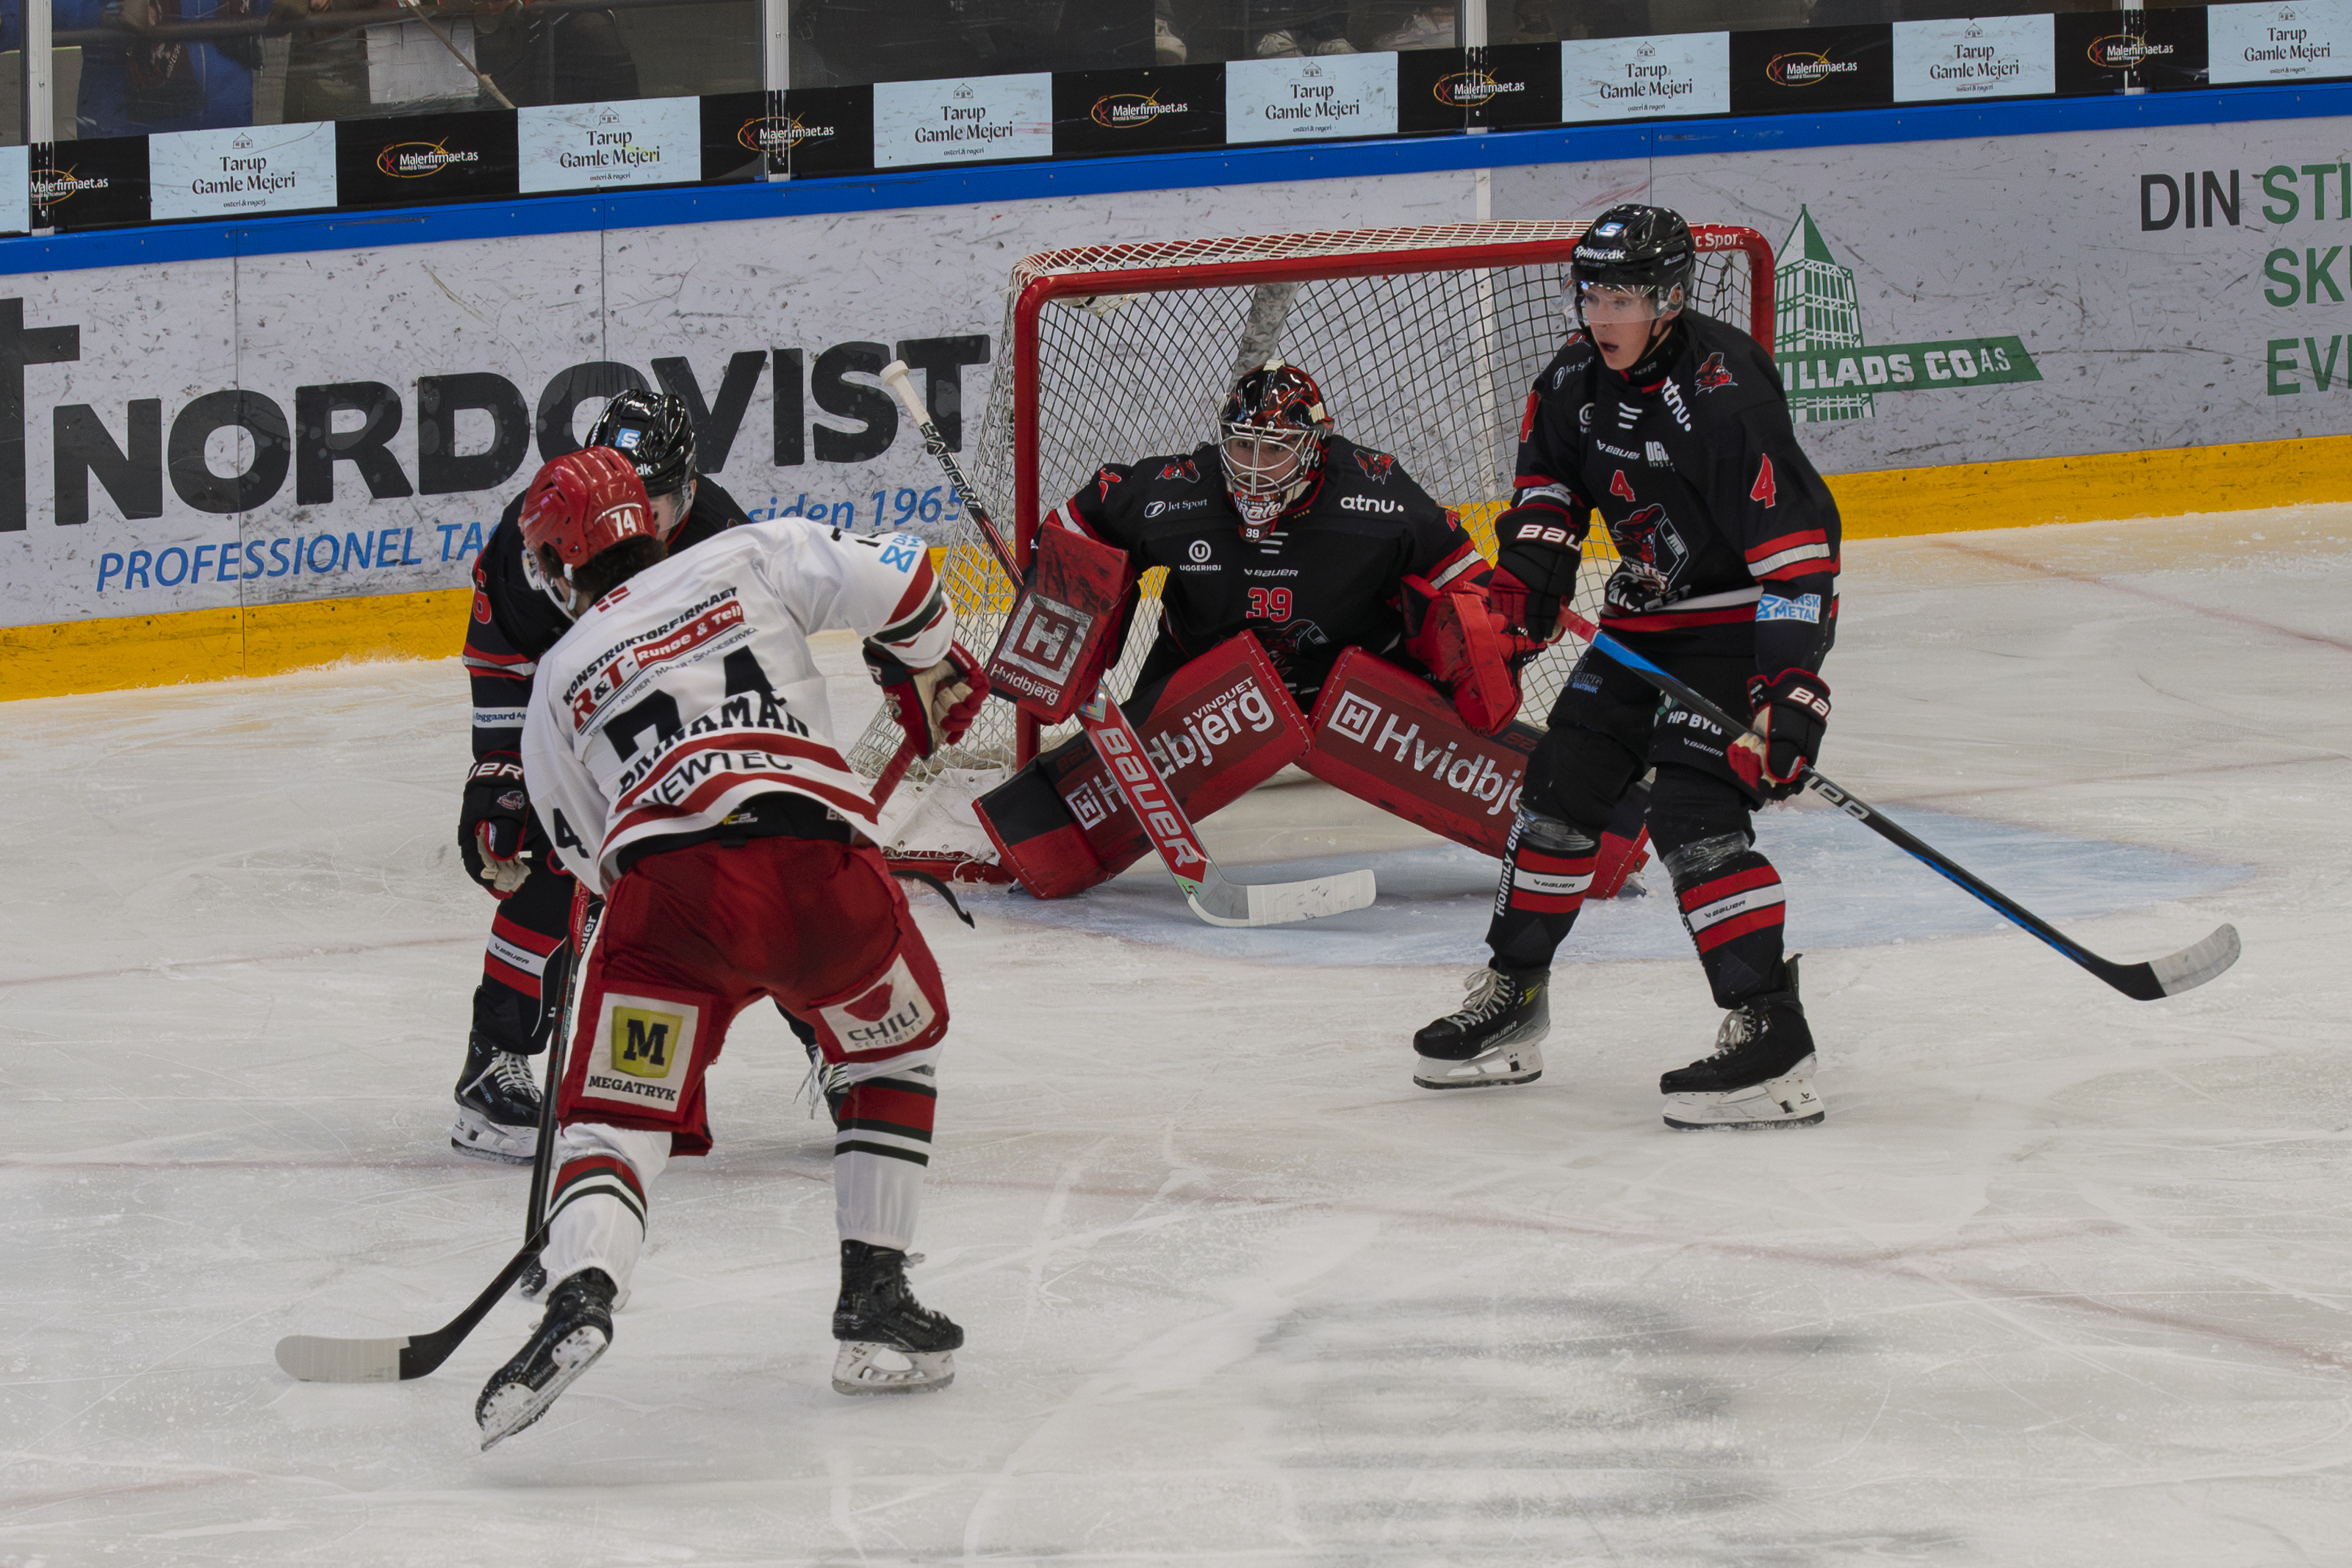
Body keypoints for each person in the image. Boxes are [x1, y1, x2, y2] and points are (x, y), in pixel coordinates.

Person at [476, 447, 988, 1446]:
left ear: (556, 561)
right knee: (889, 1052)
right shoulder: (751, 552)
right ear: (651, 522)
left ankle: (582, 1290)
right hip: (823, 874)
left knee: (615, 1116)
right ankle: (875, 1297)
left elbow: (584, 848)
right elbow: (909, 577)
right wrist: (924, 659)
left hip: (673, 904)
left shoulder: (559, 674)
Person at [1411, 204, 1841, 1127]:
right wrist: (1533, 573)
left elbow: (1799, 561)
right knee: (1558, 793)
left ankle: (1773, 1032)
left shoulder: (1728, 392)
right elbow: (1547, 489)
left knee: (1694, 816)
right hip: (1638, 629)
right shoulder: (1573, 377)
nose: (1602, 316)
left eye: (1624, 299)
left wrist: (1791, 691)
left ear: (1671, 298)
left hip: (1734, 629)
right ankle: (1515, 996)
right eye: (1593, 295)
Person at [975, 359, 1528, 895]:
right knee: (1107, 789)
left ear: (1314, 447)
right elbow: (1080, 522)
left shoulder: (1374, 492)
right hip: (1203, 669)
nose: (1255, 466)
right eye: (1242, 445)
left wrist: (1494, 638)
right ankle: (1041, 836)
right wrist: (1061, 602)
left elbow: (1460, 572)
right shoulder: (1181, 490)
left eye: (1276, 450)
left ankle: (1553, 822)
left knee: (1469, 651)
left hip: (1355, 676)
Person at [452, 390, 753, 1163]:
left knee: (770, 856)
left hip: (684, 716)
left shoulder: (724, 542)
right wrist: (499, 776)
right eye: (623, 498)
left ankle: (839, 1049)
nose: (633, 525)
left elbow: (753, 665)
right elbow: (503, 659)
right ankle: (494, 1063)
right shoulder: (541, 528)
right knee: (548, 857)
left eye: (655, 504)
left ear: (689, 488)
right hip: (567, 712)